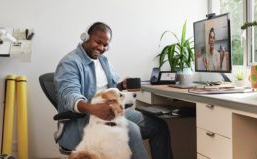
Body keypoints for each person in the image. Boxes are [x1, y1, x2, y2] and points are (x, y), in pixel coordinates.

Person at [54, 22, 173, 159]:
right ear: (86, 37)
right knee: (131, 130)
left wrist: (122, 85)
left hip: (111, 113)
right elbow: (70, 95)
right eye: (98, 42)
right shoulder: (70, 63)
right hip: (84, 121)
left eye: (105, 45)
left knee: (158, 126)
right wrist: (93, 109)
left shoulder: (103, 61)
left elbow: (111, 89)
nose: (101, 47)